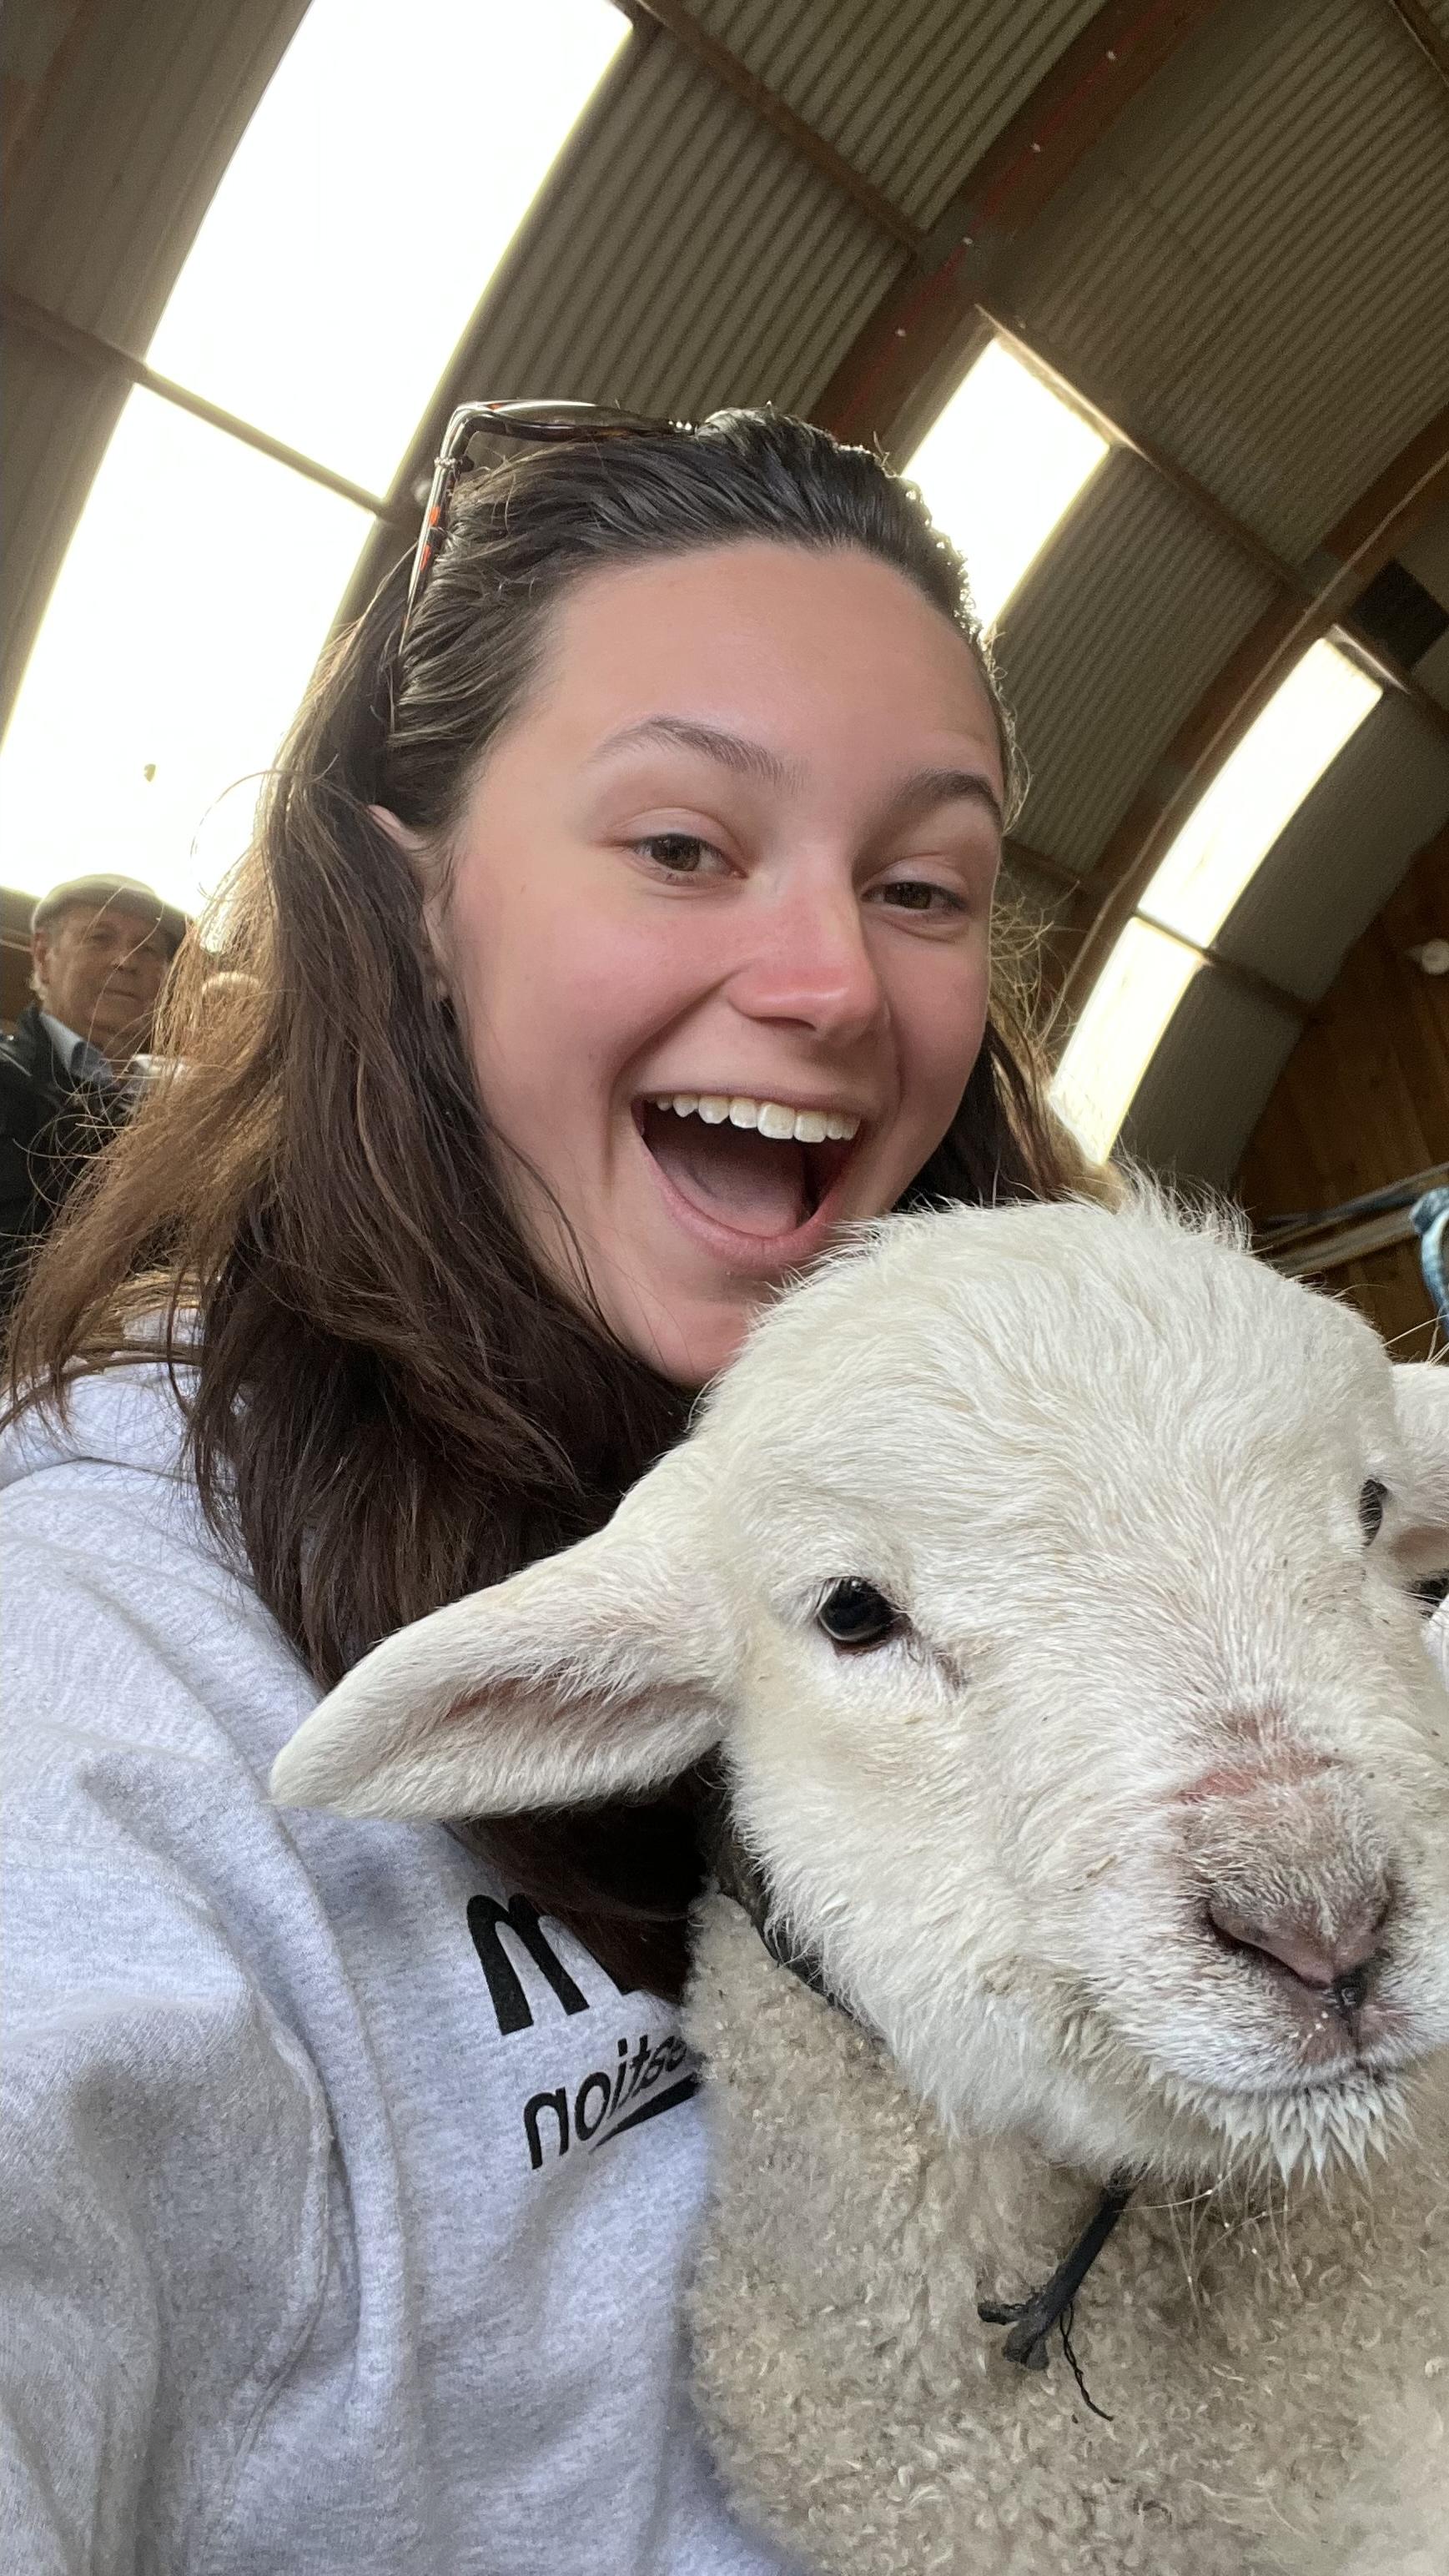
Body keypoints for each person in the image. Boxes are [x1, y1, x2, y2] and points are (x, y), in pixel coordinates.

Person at [0, 407, 1107, 2573]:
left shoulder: (995, 1465)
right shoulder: (104, 1649)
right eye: (683, 846)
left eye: (921, 884)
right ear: (415, 898)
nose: (829, 986)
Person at [0, 873, 185, 1312]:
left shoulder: (184, 1101)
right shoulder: (8, 1083)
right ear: (43, 955)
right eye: (100, 938)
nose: (127, 960)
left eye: (151, 949)